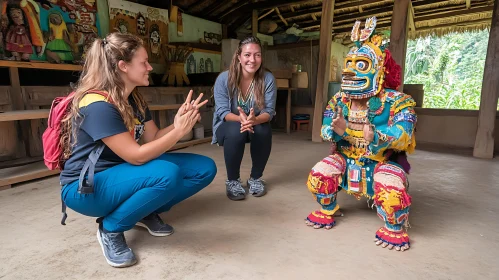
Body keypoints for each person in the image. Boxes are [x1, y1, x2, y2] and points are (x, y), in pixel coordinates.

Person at [59, 32, 217, 268]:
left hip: (122, 173)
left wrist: (178, 123)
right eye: (144, 62)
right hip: (85, 188)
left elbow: (152, 138)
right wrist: (178, 132)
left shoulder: (133, 99)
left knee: (204, 168)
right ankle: (110, 228)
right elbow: (137, 155)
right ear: (123, 66)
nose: (150, 67)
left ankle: (141, 211)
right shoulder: (98, 105)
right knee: (166, 173)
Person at [304, 17, 416, 252]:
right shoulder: (339, 101)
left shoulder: (398, 102)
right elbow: (325, 128)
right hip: (347, 158)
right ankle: (328, 208)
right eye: (349, 64)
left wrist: (377, 136)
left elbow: (405, 135)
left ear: (379, 69)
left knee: (391, 193)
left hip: (381, 161)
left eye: (361, 65)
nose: (350, 71)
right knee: (318, 175)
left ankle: (394, 227)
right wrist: (336, 132)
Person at [212, 35, 277, 201]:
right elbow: (222, 112)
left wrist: (254, 120)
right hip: (228, 126)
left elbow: (269, 111)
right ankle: (233, 181)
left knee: (263, 128)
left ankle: (255, 178)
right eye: (247, 55)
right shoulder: (224, 79)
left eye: (257, 55)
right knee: (235, 130)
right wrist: (241, 119)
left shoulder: (267, 79)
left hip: (255, 124)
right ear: (239, 57)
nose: (252, 60)